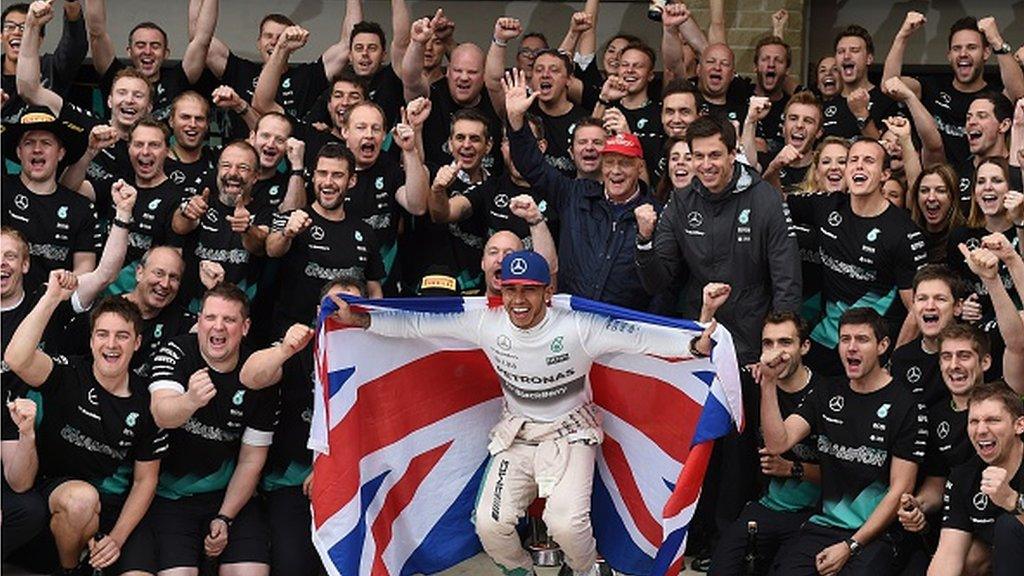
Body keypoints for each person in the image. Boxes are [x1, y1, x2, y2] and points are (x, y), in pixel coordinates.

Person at [330, 249, 717, 576]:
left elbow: (639, 337)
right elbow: (419, 323)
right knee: (489, 525)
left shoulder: (577, 327)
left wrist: (696, 343)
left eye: (529, 290)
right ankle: (522, 572)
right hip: (516, 435)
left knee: (566, 526)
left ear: (548, 292)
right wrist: (364, 319)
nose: (518, 300)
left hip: (571, 434)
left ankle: (587, 570)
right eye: (510, 289)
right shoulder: (487, 320)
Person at [6, 283, 166, 575]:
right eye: (102, 334)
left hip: (115, 509)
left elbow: (146, 481)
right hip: (60, 495)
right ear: (91, 340)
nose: (111, 344)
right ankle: (72, 570)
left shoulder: (147, 402)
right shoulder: (68, 373)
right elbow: (16, 358)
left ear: (137, 343)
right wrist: (51, 297)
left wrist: (117, 538)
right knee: (81, 500)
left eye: (122, 336)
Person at [760, 307, 926, 575]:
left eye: (862, 339)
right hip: (823, 526)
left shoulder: (905, 404)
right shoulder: (826, 392)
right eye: (845, 339)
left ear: (883, 345)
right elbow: (779, 443)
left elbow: (900, 489)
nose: (851, 348)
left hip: (875, 535)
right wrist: (768, 384)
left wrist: (851, 545)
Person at [635, 114, 801, 365]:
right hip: (699, 334)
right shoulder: (681, 200)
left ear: (732, 154)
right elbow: (656, 282)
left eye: (714, 155)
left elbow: (786, 278)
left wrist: (778, 347)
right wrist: (644, 240)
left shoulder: (765, 198)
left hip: (751, 340)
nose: (706, 164)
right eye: (698, 156)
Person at [148, 283, 279, 574]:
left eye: (229, 320)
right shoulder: (177, 351)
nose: (218, 327)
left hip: (229, 497)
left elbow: (251, 459)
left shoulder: (257, 372)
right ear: (199, 321)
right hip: (171, 497)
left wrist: (225, 517)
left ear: (244, 327)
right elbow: (161, 414)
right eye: (210, 317)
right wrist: (190, 400)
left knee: (251, 572)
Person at [239, 277, 365, 576]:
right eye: (332, 305)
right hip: (291, 485)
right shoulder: (301, 346)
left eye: (352, 306)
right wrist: (285, 348)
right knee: (292, 567)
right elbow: (250, 376)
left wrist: (327, 468)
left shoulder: (375, 356)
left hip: (351, 486)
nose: (341, 312)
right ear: (317, 309)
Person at [505, 69, 656, 311]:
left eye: (624, 162)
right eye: (610, 162)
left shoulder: (652, 212)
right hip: (572, 324)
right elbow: (531, 165)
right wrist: (515, 119)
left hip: (626, 332)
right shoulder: (572, 194)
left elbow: (662, 284)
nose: (616, 170)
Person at [787, 138, 927, 376]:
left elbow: (917, 309)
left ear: (884, 175)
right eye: (853, 160)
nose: (859, 166)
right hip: (825, 340)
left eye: (868, 161)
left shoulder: (904, 232)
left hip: (874, 352)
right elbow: (773, 203)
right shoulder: (827, 206)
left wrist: (894, 363)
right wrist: (775, 167)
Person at [710, 309, 823, 576]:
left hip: (813, 515)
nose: (776, 352)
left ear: (804, 346)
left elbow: (845, 473)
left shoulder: (827, 393)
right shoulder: (751, 384)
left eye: (785, 342)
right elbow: (705, 359)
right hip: (765, 507)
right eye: (768, 343)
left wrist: (793, 469)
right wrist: (706, 312)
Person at [897, 323, 992, 575]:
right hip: (958, 520)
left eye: (964, 356)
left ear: (985, 362)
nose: (954, 365)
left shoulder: (1005, 401)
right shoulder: (934, 415)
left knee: (970, 561)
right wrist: (919, 505)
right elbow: (937, 481)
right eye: (946, 357)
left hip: (1003, 518)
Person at [266, 143, 386, 335]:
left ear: (352, 180)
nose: (328, 182)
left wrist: (370, 327)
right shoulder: (292, 218)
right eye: (322, 173)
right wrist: (287, 233)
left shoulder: (365, 231)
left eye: (337, 175)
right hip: (296, 336)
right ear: (313, 176)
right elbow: (272, 249)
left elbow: (374, 289)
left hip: (346, 336)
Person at [883, 13, 1024, 163]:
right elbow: (889, 85)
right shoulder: (931, 87)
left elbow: (1019, 93)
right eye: (957, 48)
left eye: (971, 47)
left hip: (984, 180)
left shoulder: (996, 95)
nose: (963, 54)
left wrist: (996, 40)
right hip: (939, 183)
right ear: (949, 55)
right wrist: (902, 36)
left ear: (986, 52)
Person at [927, 382, 1024, 576]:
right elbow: (948, 555)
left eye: (992, 420)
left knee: (1008, 526)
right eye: (974, 421)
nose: (980, 430)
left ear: (1019, 425)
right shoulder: (963, 477)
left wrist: (1012, 501)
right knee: (972, 557)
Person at [1, 106, 99, 291]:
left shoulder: (81, 207)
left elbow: (85, 268)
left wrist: (63, 286)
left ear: (60, 153)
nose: (37, 149)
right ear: (19, 152)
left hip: (54, 307)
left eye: (46, 143)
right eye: (29, 142)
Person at [172, 140, 273, 305]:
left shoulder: (264, 210)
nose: (233, 173)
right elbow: (179, 227)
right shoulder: (202, 201)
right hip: (192, 307)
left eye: (243, 168)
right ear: (218, 170)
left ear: (255, 176)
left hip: (239, 310)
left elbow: (260, 245)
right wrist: (186, 212)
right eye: (226, 166)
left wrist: (247, 229)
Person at [84, 0, 216, 120]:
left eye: (155, 46)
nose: (147, 51)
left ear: (166, 53)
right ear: (129, 52)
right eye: (140, 45)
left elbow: (202, 40)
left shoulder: (176, 79)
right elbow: (96, 32)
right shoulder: (116, 76)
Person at [888, 265, 964, 410]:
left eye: (940, 299)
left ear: (958, 307)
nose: (930, 306)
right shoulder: (901, 358)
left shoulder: (975, 350)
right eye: (922, 299)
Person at [1, 1, 86, 124]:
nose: (17, 32)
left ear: (39, 39)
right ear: (1, 36)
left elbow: (75, 46)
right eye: (10, 26)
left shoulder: (51, 67)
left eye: (24, 27)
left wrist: (72, 5)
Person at [908, 164, 965, 265]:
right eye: (924, 191)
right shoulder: (907, 236)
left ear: (953, 197)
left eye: (940, 191)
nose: (931, 198)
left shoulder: (963, 238)